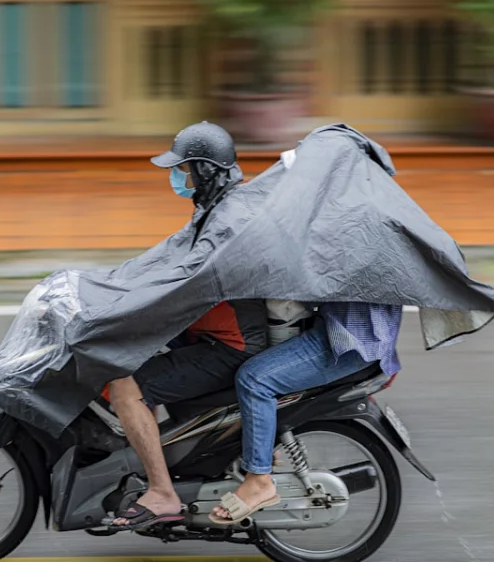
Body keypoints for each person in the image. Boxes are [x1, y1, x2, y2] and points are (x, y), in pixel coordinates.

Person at [107, 122, 270, 531]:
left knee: (125, 385)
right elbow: (168, 258)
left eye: (183, 170)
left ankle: (162, 493)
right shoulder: (216, 208)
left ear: (205, 171)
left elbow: (188, 281)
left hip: (230, 345)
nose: (176, 178)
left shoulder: (228, 218)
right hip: (208, 332)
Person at [208, 300, 404, 523]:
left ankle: (258, 480)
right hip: (354, 331)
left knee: (254, 380)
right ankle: (258, 446)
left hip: (348, 340)